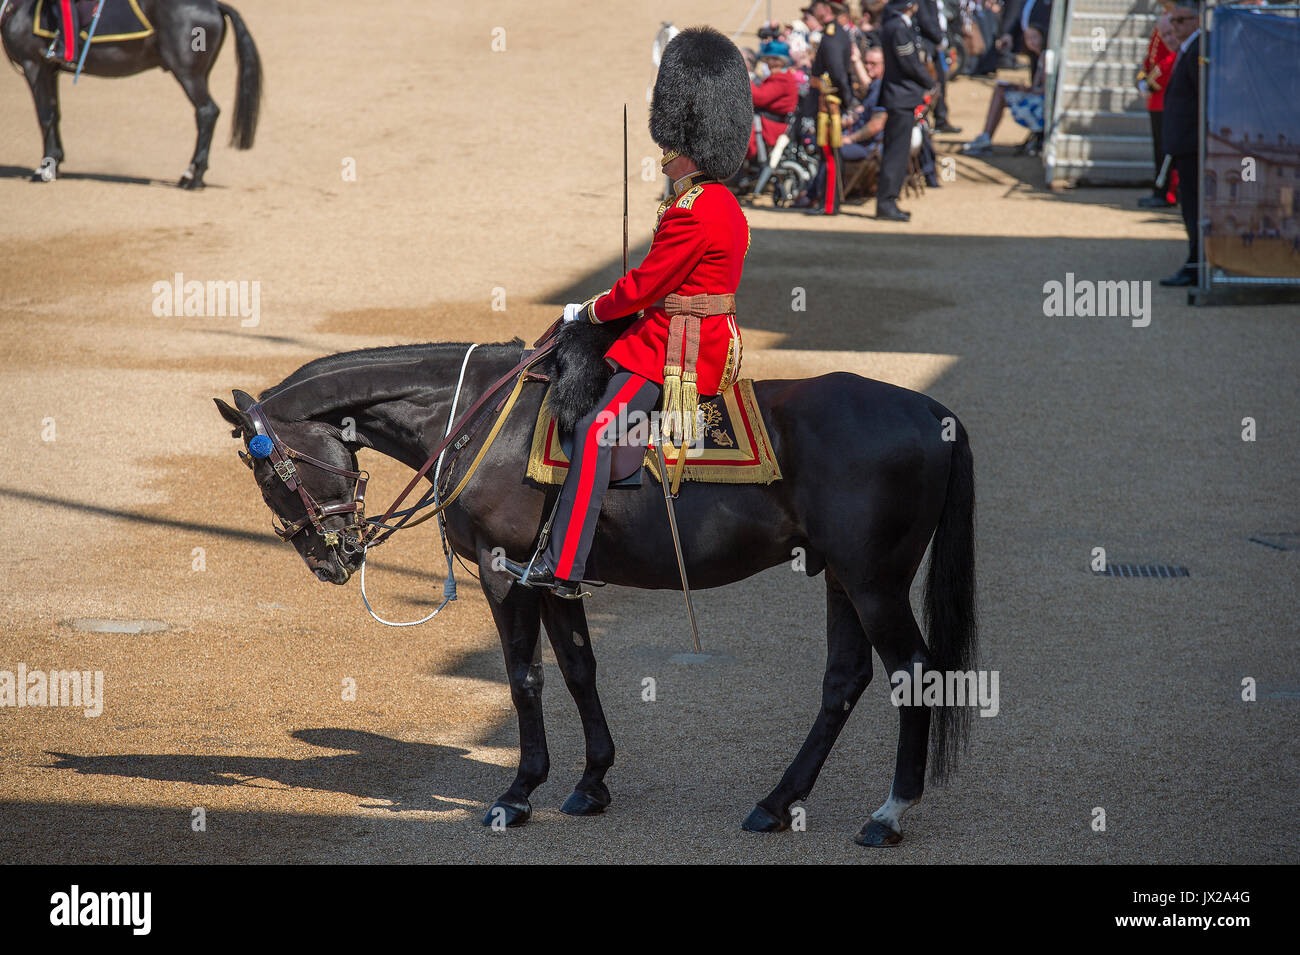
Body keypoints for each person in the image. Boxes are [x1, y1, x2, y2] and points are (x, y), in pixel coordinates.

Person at [500, 27, 752, 596]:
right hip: (698, 332)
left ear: (689, 139)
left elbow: (644, 287)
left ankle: (565, 565)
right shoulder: (721, 203)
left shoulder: (693, 210)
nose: (663, 153)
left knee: (594, 431)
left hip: (675, 347)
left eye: (670, 143)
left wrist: (585, 311)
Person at [877, 0, 933, 221]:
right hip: (901, 96)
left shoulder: (894, 24)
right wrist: (929, 81)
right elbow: (909, 62)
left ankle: (888, 200)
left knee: (896, 151)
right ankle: (887, 201)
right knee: (897, 153)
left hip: (899, 95)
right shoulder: (898, 27)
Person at [1159, 0, 1202, 287]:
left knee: (1194, 207)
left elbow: (1200, 98)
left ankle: (1196, 263)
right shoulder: (1188, 49)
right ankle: (1195, 260)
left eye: (1181, 21)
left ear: (1197, 21)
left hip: (1193, 144)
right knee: (1188, 206)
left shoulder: (1198, 50)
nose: (1175, 27)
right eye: (1173, 21)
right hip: (1184, 142)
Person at [960, 23, 1045, 154]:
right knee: (1001, 88)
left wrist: (1022, 89)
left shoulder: (1045, 57)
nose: (1031, 42)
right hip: (1037, 100)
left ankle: (986, 137)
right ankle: (986, 137)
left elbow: (1044, 90)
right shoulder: (1040, 57)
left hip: (1041, 107)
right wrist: (1021, 88)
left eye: (1035, 37)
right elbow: (1036, 87)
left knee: (1001, 91)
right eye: (1028, 38)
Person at [807, 1, 857, 215]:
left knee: (829, 156)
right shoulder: (834, 33)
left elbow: (837, 72)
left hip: (830, 105)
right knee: (827, 154)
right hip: (830, 103)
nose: (813, 11)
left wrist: (845, 100)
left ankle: (828, 204)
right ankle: (827, 201)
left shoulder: (833, 34)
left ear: (827, 9)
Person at [1137, 8, 1178, 208]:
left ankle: (1166, 193)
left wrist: (1152, 82)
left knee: (1165, 150)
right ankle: (1161, 190)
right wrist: (1143, 78)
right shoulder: (1164, 19)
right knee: (1159, 149)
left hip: (1165, 95)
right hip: (1156, 98)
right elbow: (1151, 57)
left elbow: (1171, 58)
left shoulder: (1174, 20)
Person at [748, 41, 801, 161]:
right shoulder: (780, 76)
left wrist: (746, 79)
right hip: (767, 121)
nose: (767, 62)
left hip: (771, 125)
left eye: (770, 59)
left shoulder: (782, 78)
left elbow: (760, 98)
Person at [916, 0, 961, 132]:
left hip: (934, 45)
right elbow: (925, 21)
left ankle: (940, 119)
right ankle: (924, 121)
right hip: (927, 46)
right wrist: (939, 39)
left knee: (939, 83)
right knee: (930, 85)